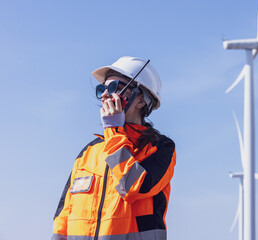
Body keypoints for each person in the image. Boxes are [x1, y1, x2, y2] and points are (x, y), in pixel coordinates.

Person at [52, 56, 176, 240]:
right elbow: (64, 216)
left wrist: (113, 130)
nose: (104, 95)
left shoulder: (160, 148)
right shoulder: (88, 153)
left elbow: (135, 187)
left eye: (114, 88)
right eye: (102, 88)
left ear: (141, 101)